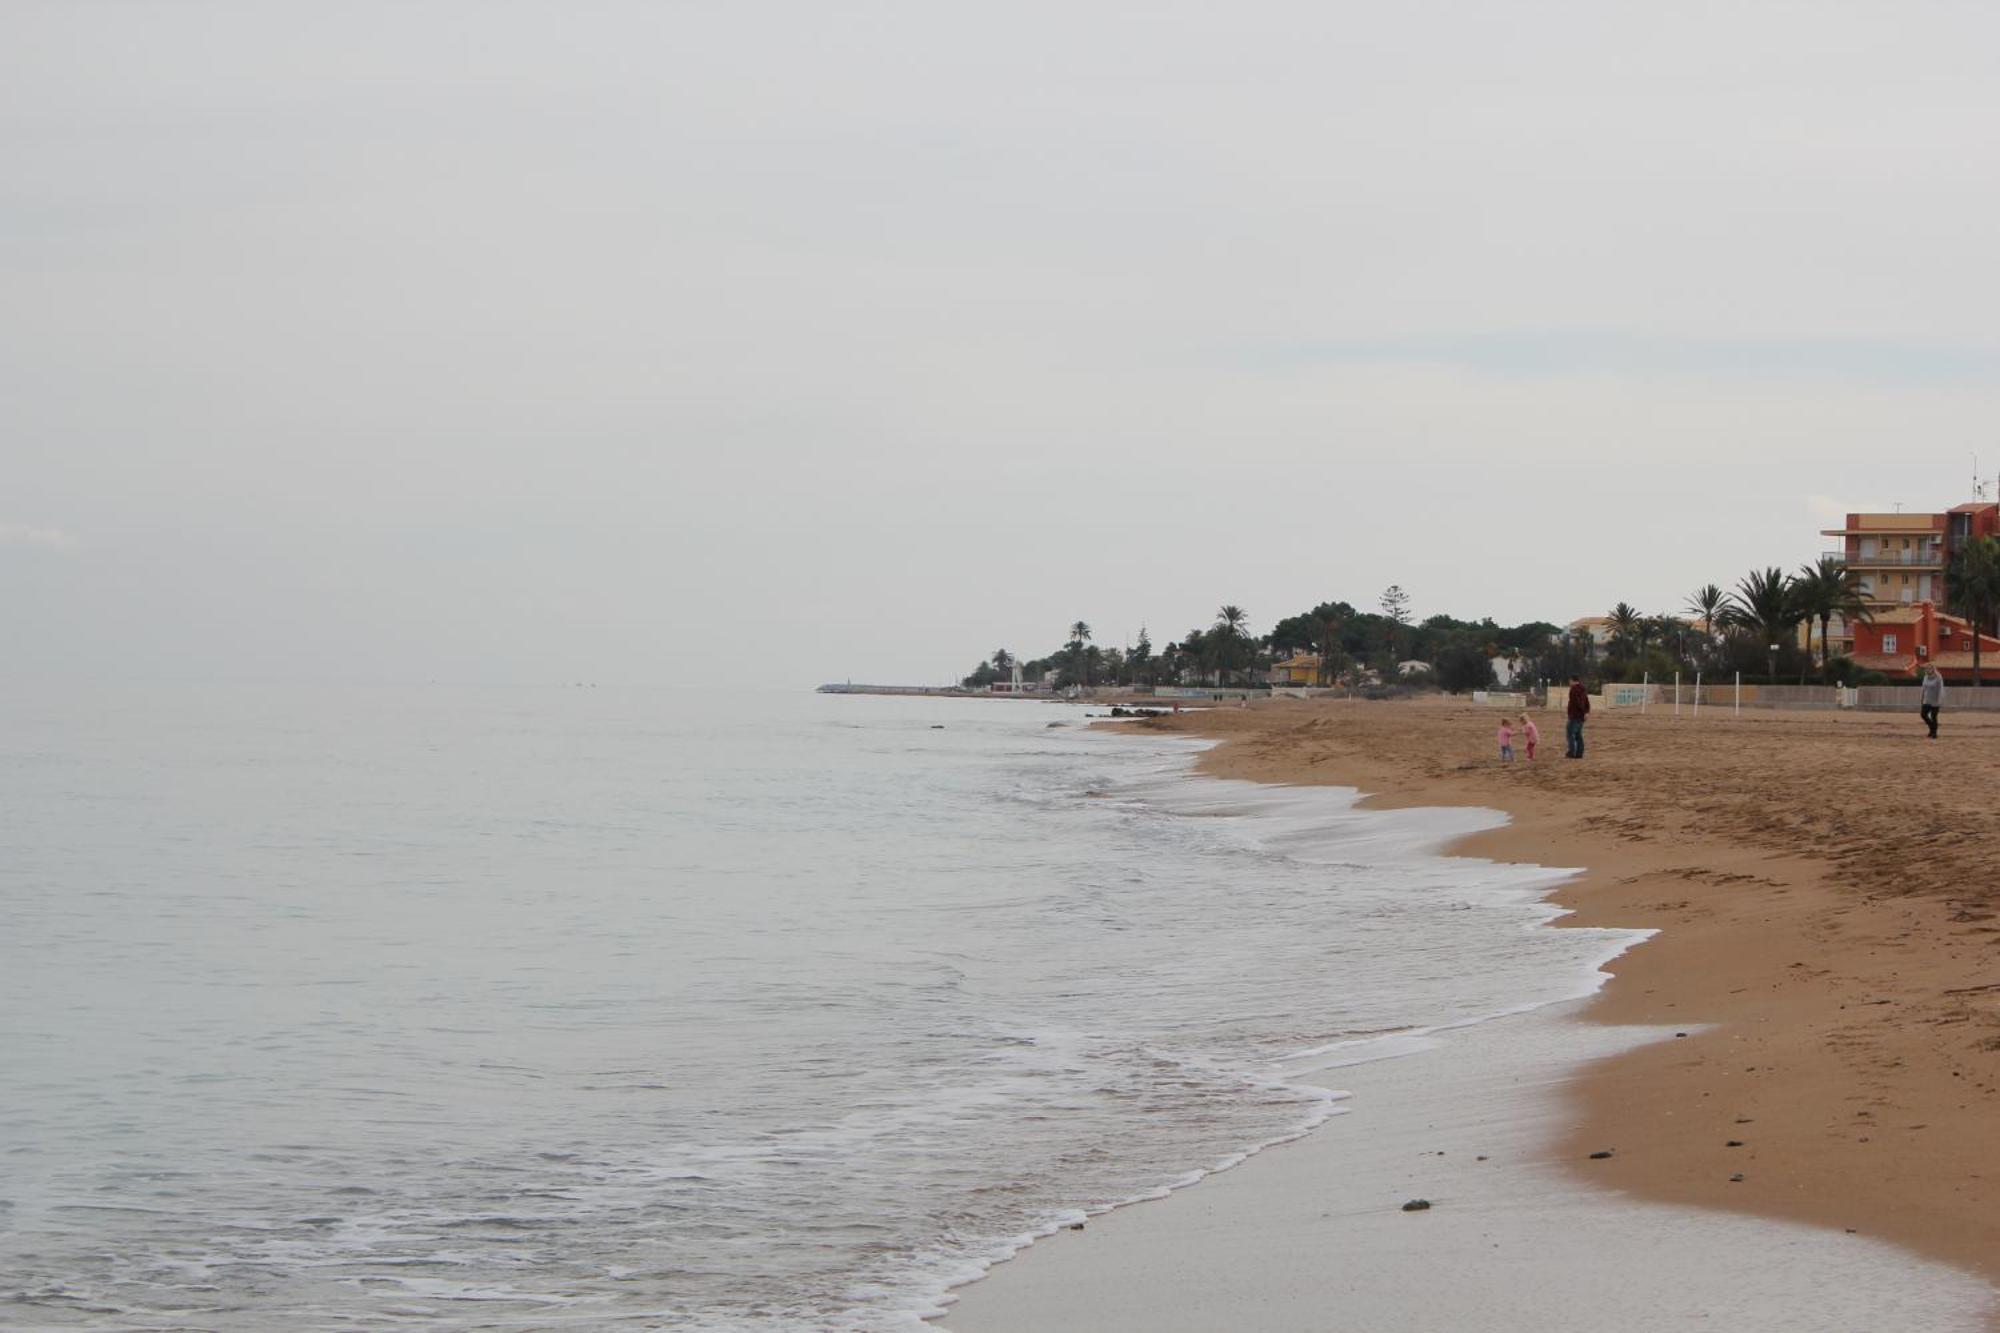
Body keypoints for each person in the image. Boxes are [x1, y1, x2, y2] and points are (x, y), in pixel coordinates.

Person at [1565, 675, 1590, 759]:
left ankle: (1572, 752)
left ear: (1572, 680)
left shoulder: (1573, 690)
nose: (1569, 683)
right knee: (1578, 735)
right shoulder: (1583, 689)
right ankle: (1579, 753)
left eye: (1570, 681)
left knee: (1570, 733)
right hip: (1581, 717)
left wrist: (1583, 712)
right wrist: (1586, 712)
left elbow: (1577, 703)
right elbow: (1586, 701)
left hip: (1574, 716)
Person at [1920, 664, 1943, 739]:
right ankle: (1932, 728)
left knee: (1934, 717)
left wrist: (1939, 699)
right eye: (1926, 669)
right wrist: (1922, 697)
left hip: (1935, 700)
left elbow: (1940, 689)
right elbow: (1923, 688)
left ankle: (1934, 733)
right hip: (1927, 700)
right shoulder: (1925, 677)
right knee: (1923, 714)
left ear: (1933, 669)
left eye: (1929, 668)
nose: (1927, 670)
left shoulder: (1938, 677)